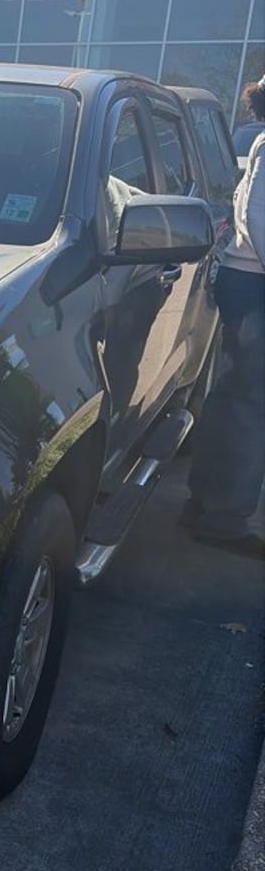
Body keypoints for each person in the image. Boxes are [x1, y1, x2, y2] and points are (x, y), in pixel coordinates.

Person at [185, 76, 265, 555]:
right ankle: (224, 520)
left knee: (232, 397)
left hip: (247, 282)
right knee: (248, 406)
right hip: (255, 286)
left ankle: (204, 505)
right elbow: (258, 218)